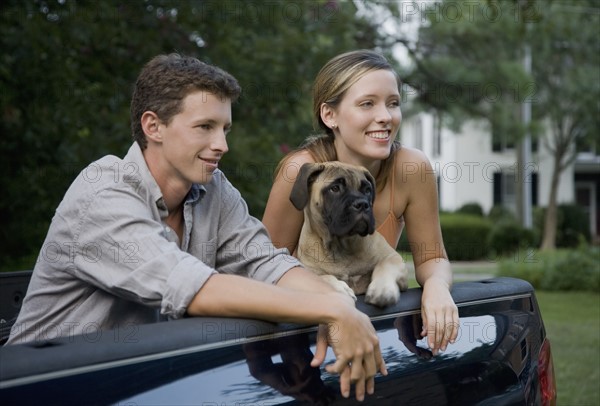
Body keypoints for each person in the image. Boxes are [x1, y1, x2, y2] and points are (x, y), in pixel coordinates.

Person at [7, 53, 386, 402]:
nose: (221, 144)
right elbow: (194, 289)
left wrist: (338, 305)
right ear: (153, 126)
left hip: (140, 387)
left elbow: (266, 264)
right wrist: (332, 312)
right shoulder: (102, 194)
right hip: (38, 389)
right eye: (205, 126)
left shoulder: (214, 188)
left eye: (225, 128)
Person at [263, 49, 459, 355]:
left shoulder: (412, 168)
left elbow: (432, 257)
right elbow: (266, 265)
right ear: (330, 115)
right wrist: (325, 292)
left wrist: (436, 288)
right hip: (307, 336)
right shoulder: (300, 172)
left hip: (378, 325)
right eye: (367, 103)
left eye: (393, 103)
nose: (385, 116)